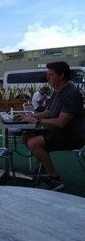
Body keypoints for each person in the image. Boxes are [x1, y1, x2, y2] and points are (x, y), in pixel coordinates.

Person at [16, 61, 84, 191]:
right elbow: (48, 112)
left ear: (62, 75)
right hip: (58, 132)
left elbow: (61, 122)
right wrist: (28, 116)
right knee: (26, 136)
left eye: (51, 74)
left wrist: (35, 122)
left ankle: (54, 178)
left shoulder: (72, 94)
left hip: (72, 136)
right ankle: (43, 169)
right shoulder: (57, 92)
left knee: (33, 143)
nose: (47, 78)